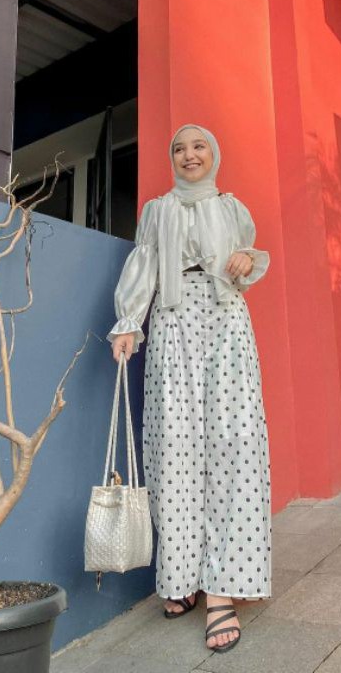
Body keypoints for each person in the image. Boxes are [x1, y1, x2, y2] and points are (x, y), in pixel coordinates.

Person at [107, 124, 272, 653]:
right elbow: (145, 266)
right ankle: (180, 574)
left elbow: (245, 263)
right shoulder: (157, 210)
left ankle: (223, 588)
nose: (188, 154)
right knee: (174, 449)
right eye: (179, 148)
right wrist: (128, 323)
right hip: (172, 323)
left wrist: (246, 261)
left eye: (198, 146)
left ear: (213, 154)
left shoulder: (232, 208)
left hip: (226, 322)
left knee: (232, 447)